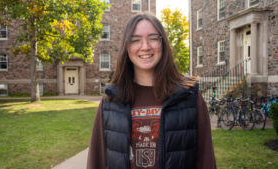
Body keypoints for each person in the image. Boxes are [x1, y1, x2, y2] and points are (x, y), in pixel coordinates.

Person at [87, 13, 216, 169]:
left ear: (163, 43)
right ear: (127, 48)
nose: (145, 46)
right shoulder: (111, 101)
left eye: (153, 38)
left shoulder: (189, 97)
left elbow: (205, 160)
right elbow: (97, 161)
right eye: (135, 40)